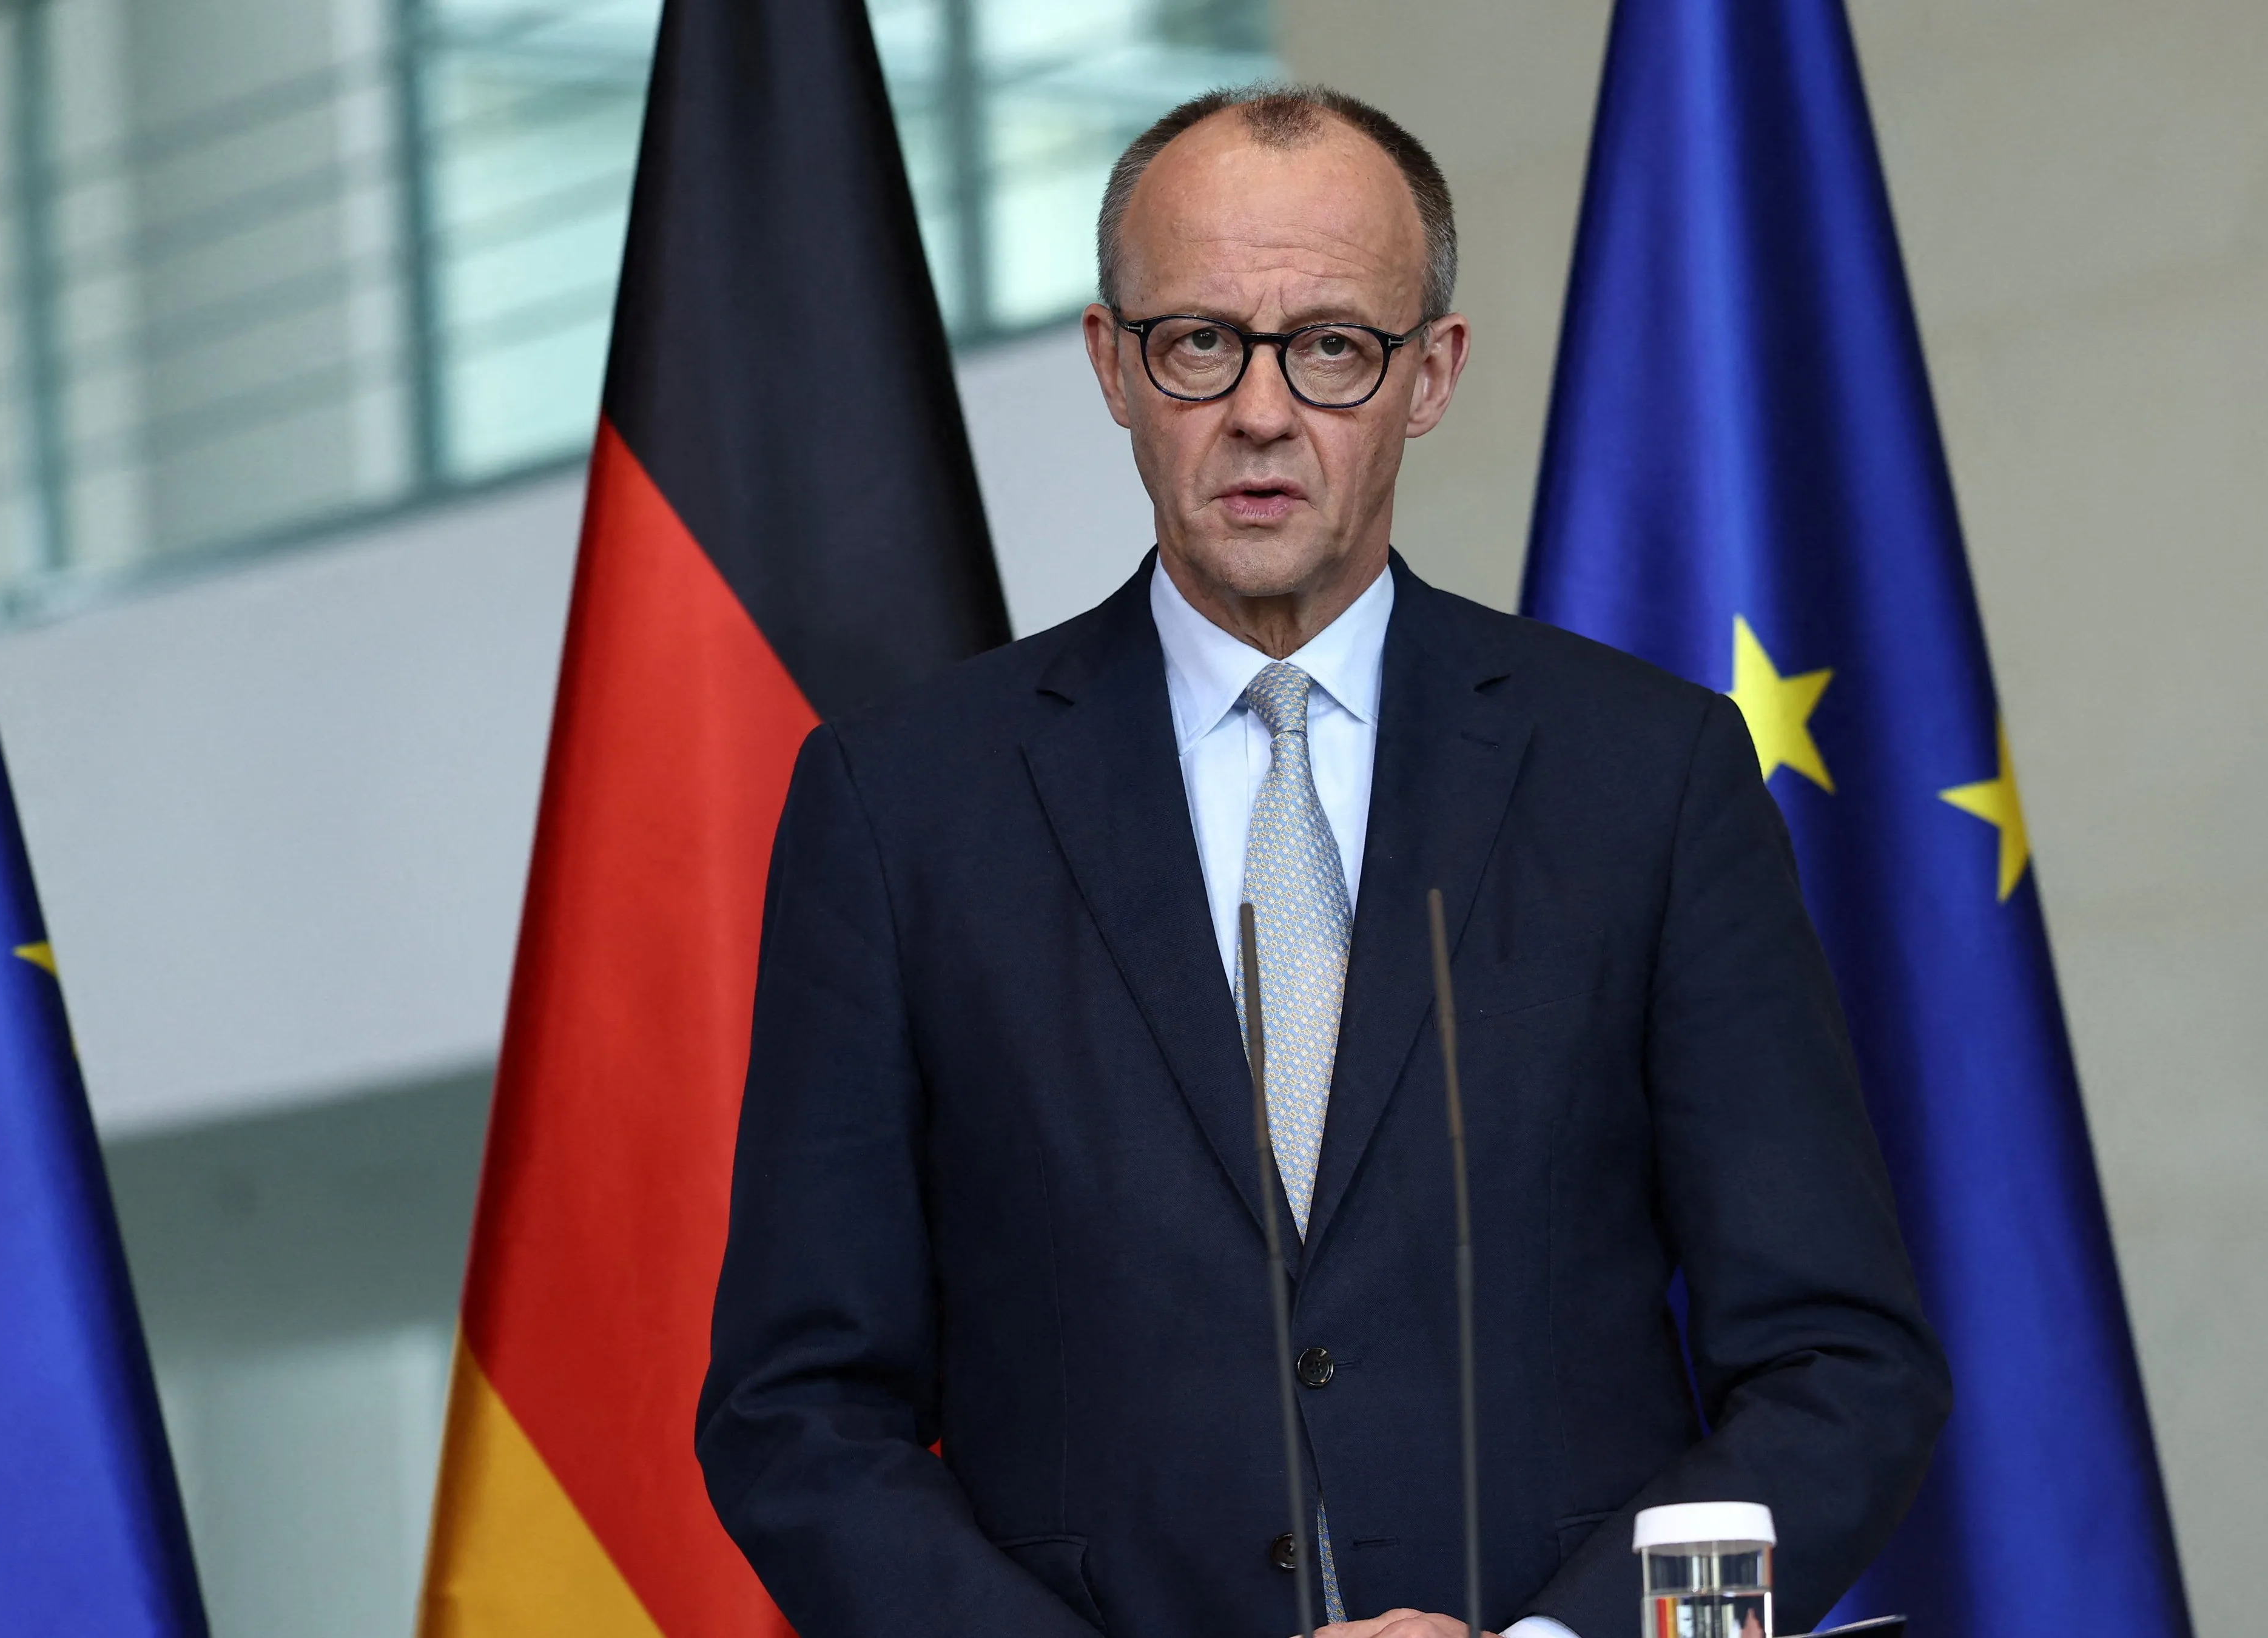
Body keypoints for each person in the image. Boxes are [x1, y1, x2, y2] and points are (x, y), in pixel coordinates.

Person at [696, 84, 1948, 1638]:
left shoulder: (1650, 776)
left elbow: (1841, 1366)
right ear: (1112, 365)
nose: (1261, 412)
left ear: (1432, 373)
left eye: (1335, 347)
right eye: (1199, 342)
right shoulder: (901, 806)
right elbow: (799, 1413)